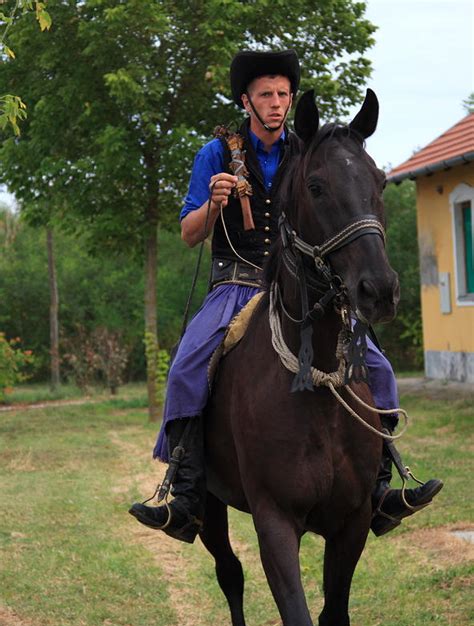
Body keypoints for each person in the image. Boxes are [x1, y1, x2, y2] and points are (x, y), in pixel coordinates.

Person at [129, 50, 442, 543]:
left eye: (282, 95)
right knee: (187, 364)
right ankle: (185, 492)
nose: (276, 104)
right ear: (246, 101)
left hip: (305, 285)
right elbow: (190, 234)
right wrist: (213, 204)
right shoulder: (214, 154)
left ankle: (383, 484)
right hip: (238, 283)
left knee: (377, 366)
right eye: (265, 95)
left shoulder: (306, 150)